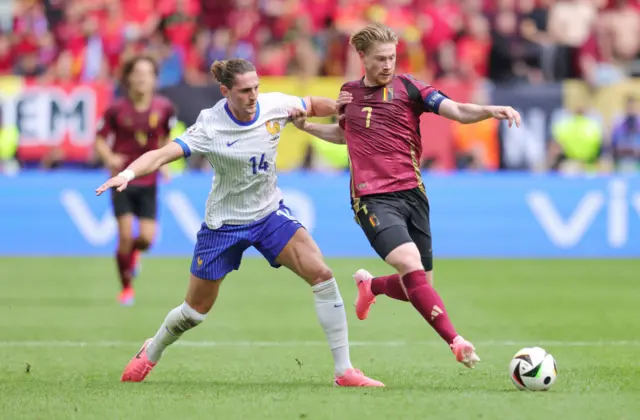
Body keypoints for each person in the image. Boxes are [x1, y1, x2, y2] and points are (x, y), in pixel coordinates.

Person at [95, 58, 384, 387]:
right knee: (194, 312)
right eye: (245, 90)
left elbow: (309, 105)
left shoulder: (273, 104)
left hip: (268, 214)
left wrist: (340, 107)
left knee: (322, 275)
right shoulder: (210, 126)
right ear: (225, 91)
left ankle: (344, 370)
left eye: (256, 88)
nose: (253, 96)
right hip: (225, 225)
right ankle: (152, 349)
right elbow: (162, 154)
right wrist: (128, 173)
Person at [289, 23, 522, 369]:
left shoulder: (410, 88)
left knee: (420, 283)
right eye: (381, 59)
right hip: (371, 198)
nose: (388, 65)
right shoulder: (348, 93)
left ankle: (373, 287)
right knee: (410, 265)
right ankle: (456, 341)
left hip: (413, 194)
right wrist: (306, 126)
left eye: (392, 58)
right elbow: (343, 135)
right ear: (362, 58)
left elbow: (456, 111)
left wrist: (489, 110)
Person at [95, 55, 177, 306]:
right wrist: (109, 157)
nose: (142, 78)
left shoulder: (164, 108)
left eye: (147, 73)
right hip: (121, 180)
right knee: (125, 235)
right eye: (137, 73)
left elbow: (165, 137)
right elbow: (99, 139)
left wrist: (163, 162)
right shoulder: (115, 110)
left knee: (146, 239)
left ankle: (135, 256)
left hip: (149, 180)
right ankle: (126, 288)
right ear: (128, 78)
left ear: (154, 79)